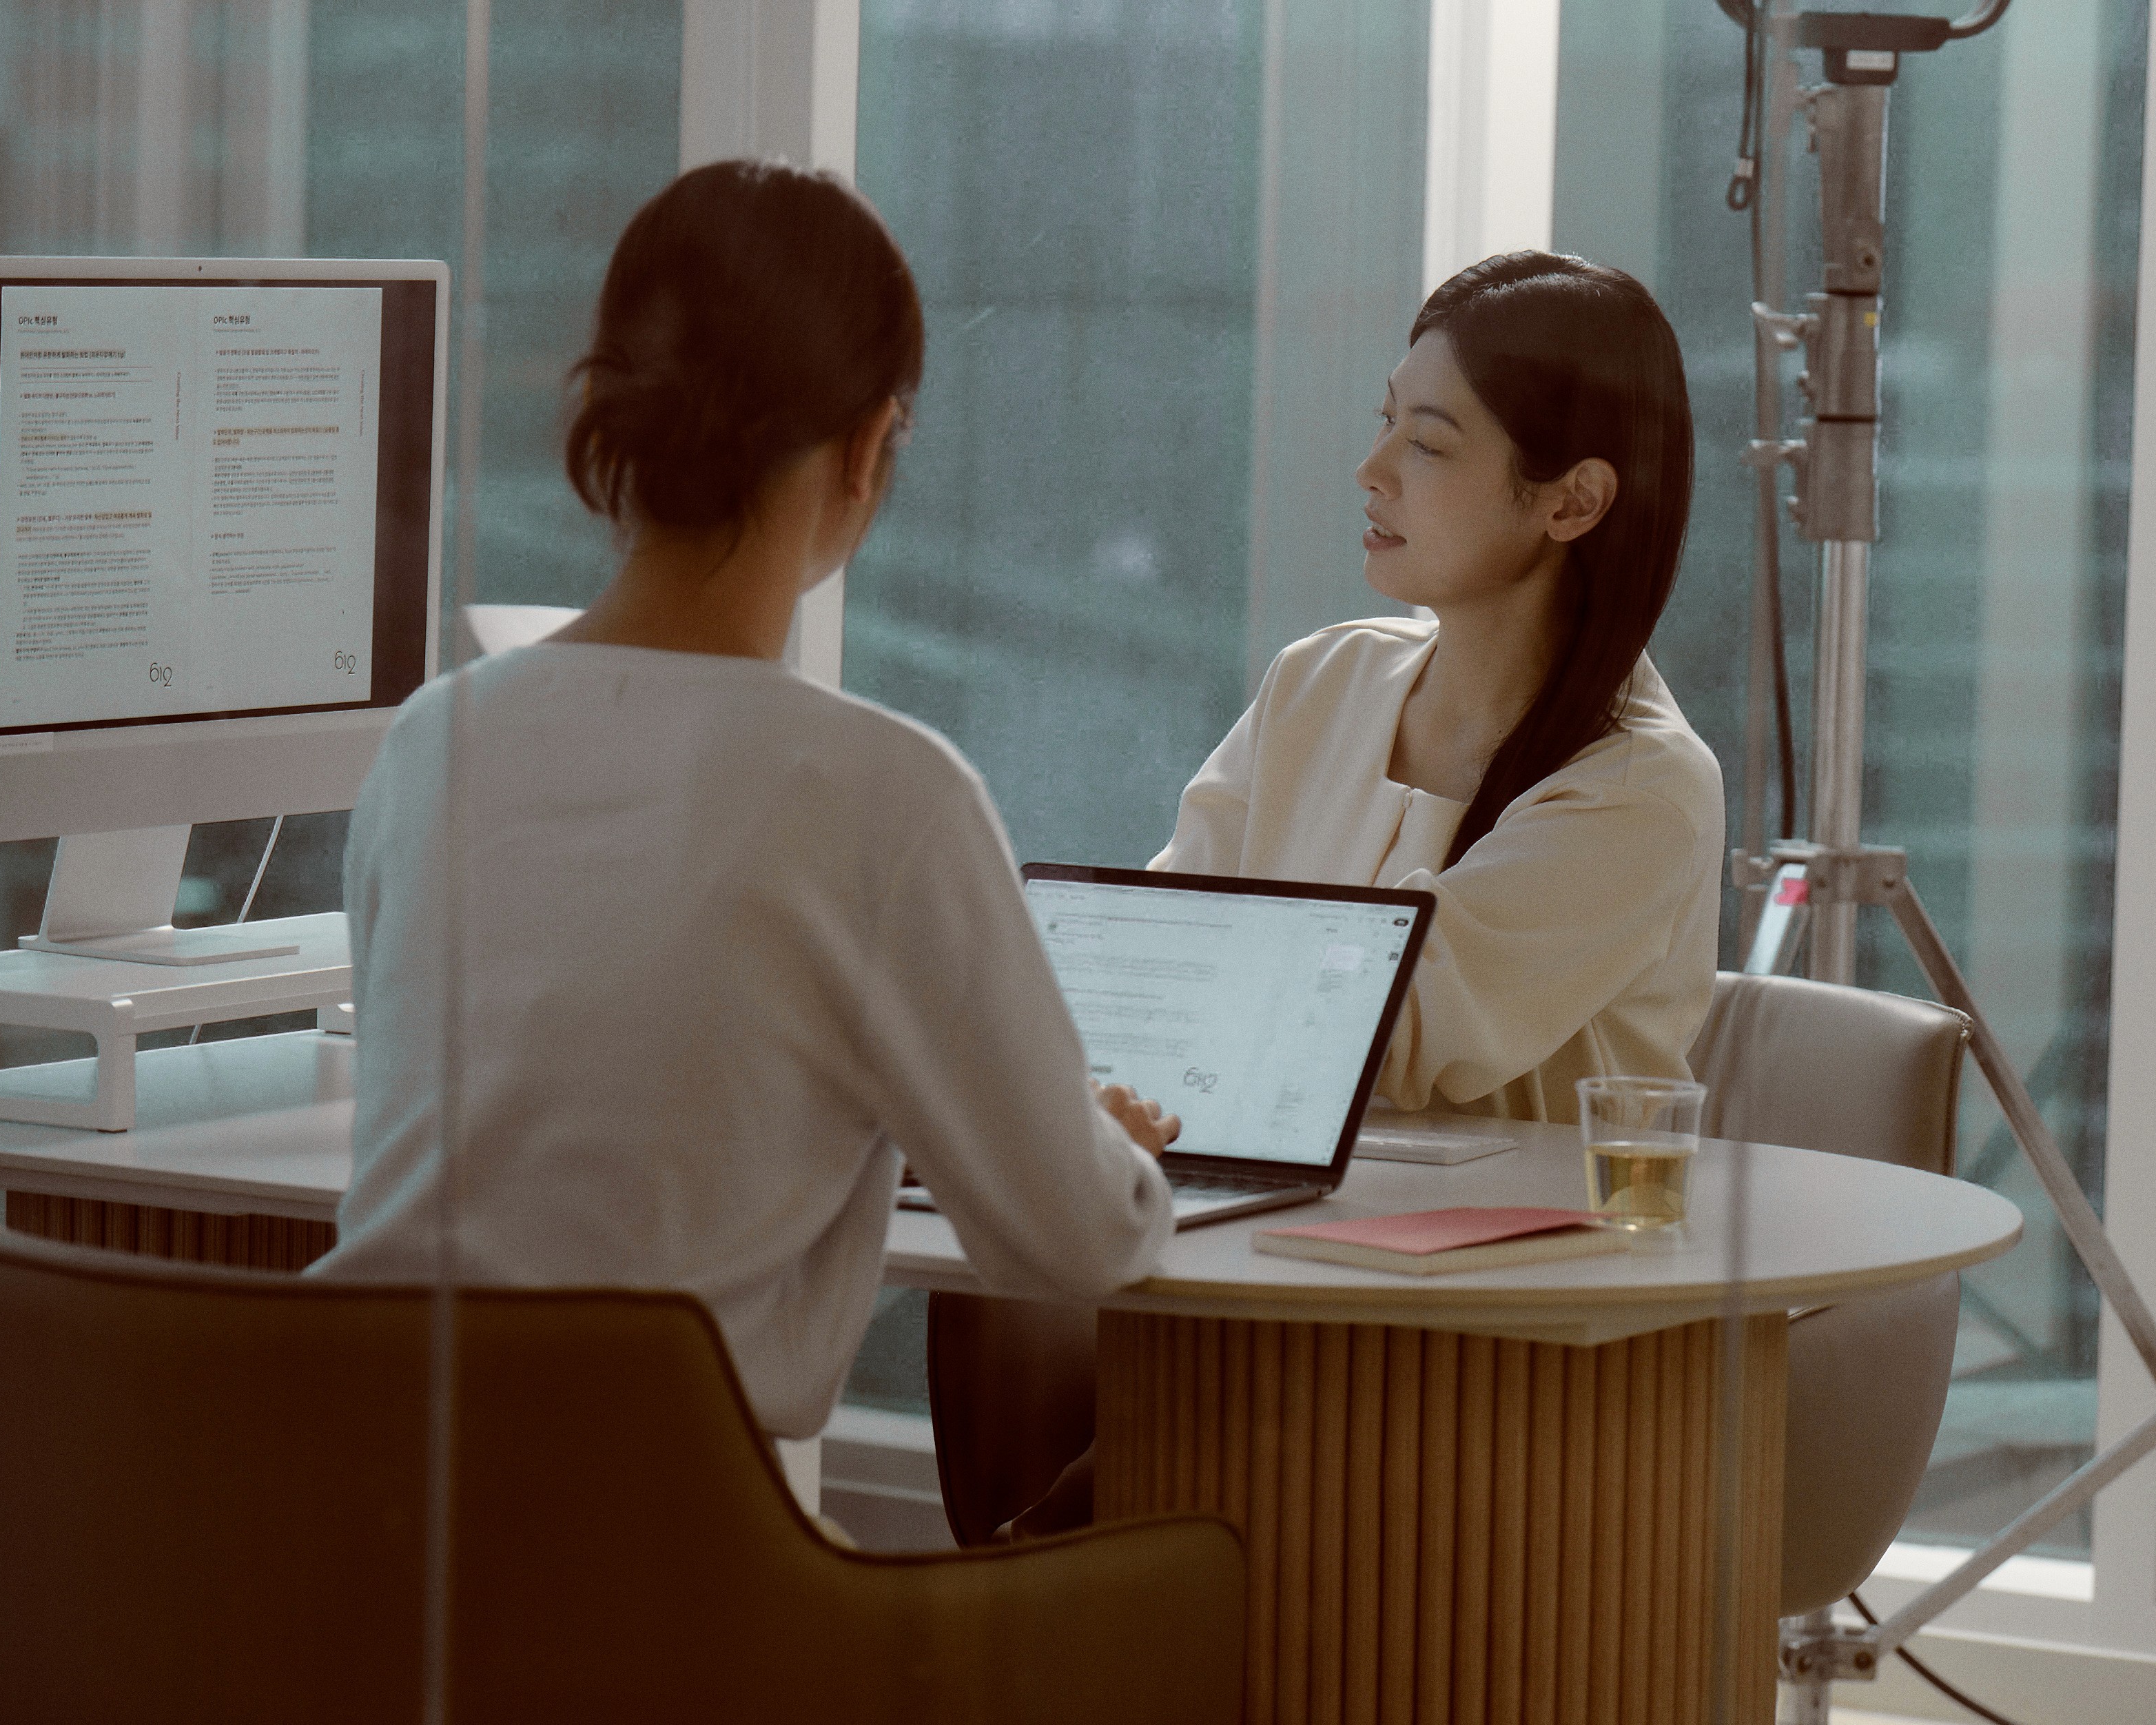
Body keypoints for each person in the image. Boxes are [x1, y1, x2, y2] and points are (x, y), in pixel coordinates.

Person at [311, 161, 1182, 1473]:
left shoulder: (438, 737)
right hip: (668, 1585)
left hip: (352, 1540)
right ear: (869, 448)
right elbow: (1078, 1241)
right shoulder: (884, 794)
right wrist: (1097, 1148)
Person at [936, 251, 1723, 1541]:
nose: (1371, 474)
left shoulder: (1643, 786)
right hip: (1263, 1280)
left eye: (1427, 442)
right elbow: (1155, 956)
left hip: (1490, 1358)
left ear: (1571, 500)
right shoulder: (1322, 682)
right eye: (1383, 424)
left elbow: (1388, 1042)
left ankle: (1029, 1608)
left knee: (1134, 1527)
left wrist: (1196, 994)